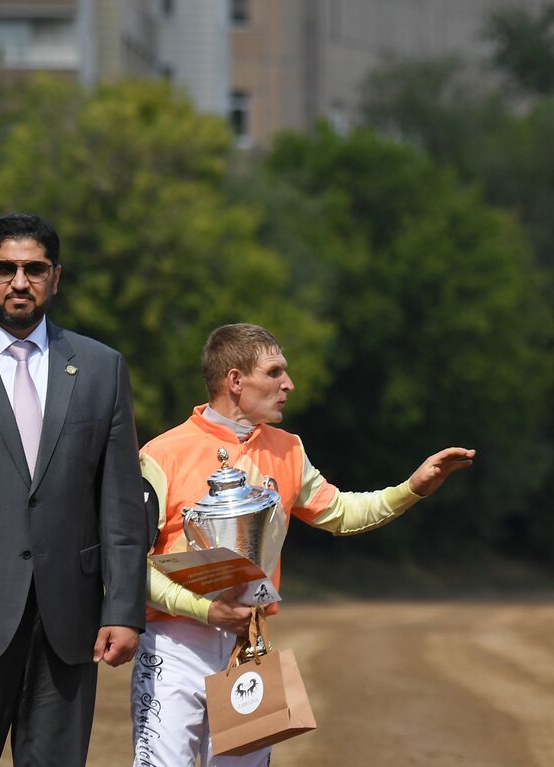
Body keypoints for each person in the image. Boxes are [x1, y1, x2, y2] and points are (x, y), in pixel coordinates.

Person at [131, 323, 475, 766]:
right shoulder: (161, 454)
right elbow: (129, 565)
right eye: (274, 372)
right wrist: (206, 609)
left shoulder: (288, 449)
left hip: (248, 646)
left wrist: (412, 487)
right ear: (235, 381)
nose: (288, 385)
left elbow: (342, 514)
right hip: (172, 644)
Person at [0, 213, 147, 766]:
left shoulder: (100, 368)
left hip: (68, 625)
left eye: (34, 269)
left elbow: (118, 503)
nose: (20, 281)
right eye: (6, 268)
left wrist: (123, 608)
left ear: (56, 277)